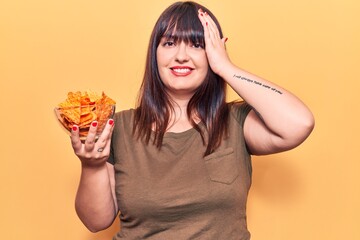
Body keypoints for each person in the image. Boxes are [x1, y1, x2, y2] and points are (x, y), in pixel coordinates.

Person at [70, 1, 315, 239]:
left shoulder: (235, 122)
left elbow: (299, 123)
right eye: (169, 43)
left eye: (197, 45)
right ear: (154, 53)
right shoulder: (119, 127)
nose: (181, 56)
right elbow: (96, 222)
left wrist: (226, 67)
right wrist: (91, 165)